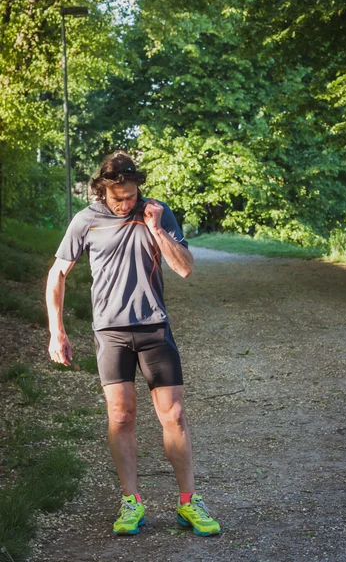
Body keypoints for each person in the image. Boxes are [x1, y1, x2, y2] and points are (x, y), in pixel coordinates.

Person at [46, 151, 220, 537]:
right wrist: (57, 331)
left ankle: (189, 502)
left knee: (173, 415)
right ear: (102, 190)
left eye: (131, 196)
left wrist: (156, 229)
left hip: (154, 327)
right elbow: (57, 274)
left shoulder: (157, 211)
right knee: (121, 416)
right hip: (110, 332)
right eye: (118, 198)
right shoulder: (86, 220)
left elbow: (185, 267)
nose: (126, 204)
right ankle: (131, 502)